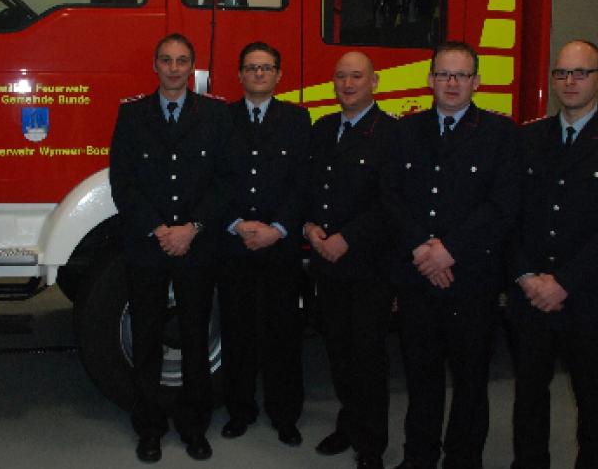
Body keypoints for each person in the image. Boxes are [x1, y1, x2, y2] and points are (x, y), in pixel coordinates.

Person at [508, 40, 598, 469]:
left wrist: (564, 282)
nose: (569, 82)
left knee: (592, 395)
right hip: (530, 294)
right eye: (561, 73)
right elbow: (509, 216)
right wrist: (525, 276)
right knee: (529, 392)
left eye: (580, 73)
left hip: (588, 296)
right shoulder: (528, 137)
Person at [382, 41, 520, 469]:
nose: (452, 83)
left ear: (477, 82)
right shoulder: (405, 131)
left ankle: (463, 459)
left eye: (461, 75)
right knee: (420, 379)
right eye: (444, 74)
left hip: (471, 279)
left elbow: (503, 203)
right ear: (430, 80)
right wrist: (424, 249)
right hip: (418, 276)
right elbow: (391, 197)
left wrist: (450, 251)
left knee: (470, 380)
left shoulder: (501, 134)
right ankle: (418, 457)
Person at [109, 33, 233, 463]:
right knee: (147, 340)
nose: (175, 68)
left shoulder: (216, 115)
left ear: (192, 67)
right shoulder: (132, 115)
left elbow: (224, 181)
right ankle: (149, 427)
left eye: (182, 61)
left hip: (196, 246)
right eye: (167, 60)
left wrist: (192, 228)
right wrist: (159, 228)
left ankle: (194, 425)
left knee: (196, 338)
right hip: (148, 244)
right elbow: (121, 182)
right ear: (155, 66)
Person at [304, 51, 397, 469]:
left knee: (368, 356)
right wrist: (309, 228)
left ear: (374, 82)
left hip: (369, 268)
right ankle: (348, 423)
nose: (348, 84)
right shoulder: (323, 129)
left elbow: (392, 204)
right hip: (327, 263)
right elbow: (310, 189)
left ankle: (372, 443)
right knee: (338, 351)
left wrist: (349, 238)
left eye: (357, 76)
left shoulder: (392, 134)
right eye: (341, 77)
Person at [217, 42, 310, 447]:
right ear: (239, 75)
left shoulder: (297, 118)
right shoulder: (222, 119)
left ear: (279, 75)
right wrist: (237, 224)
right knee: (237, 332)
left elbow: (304, 181)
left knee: (283, 335)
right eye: (251, 68)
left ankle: (284, 413)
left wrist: (278, 228)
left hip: (280, 246)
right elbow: (214, 179)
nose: (258, 74)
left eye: (266, 67)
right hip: (236, 245)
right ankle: (240, 410)